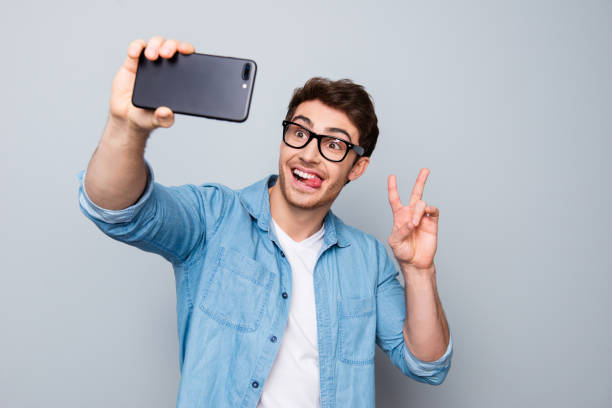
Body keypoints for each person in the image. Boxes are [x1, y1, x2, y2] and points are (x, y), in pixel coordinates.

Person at [77, 36, 453, 408]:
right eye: (300, 132)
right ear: (284, 138)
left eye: (334, 145)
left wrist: (419, 270)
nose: (308, 154)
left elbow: (427, 363)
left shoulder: (368, 260)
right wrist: (126, 128)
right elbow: (118, 210)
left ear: (358, 167)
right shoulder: (215, 217)